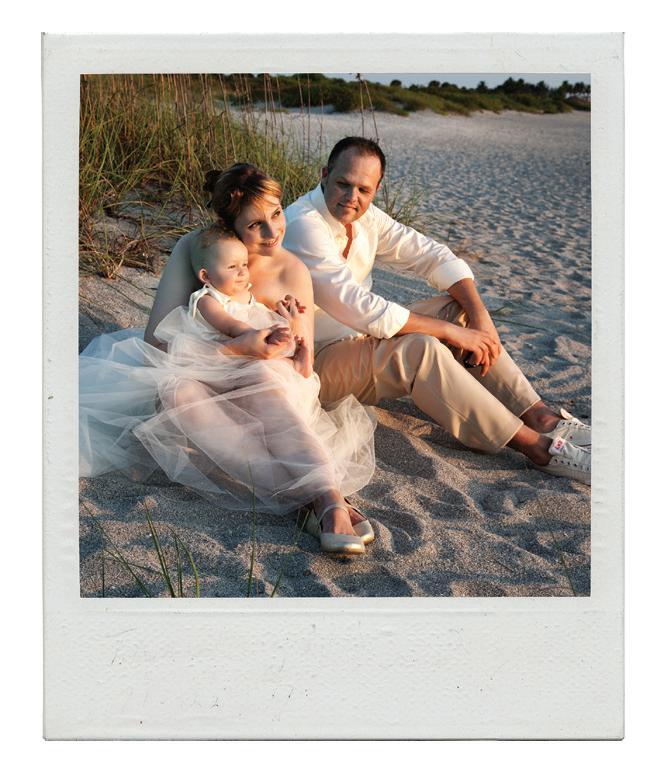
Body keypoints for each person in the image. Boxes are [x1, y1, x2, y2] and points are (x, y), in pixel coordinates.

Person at [283, 136, 591, 485]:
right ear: (325, 175)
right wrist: (449, 332)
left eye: (363, 190)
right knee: (420, 349)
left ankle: (541, 418)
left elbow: (433, 255)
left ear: (376, 190)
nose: (352, 197)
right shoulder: (303, 224)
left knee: (457, 309)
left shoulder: (366, 218)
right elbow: (358, 306)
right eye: (343, 183)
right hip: (314, 362)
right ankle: (537, 447)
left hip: (357, 340)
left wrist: (479, 318)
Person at [118, 163, 377, 551]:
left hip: (267, 382)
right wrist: (237, 348)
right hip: (199, 368)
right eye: (255, 225)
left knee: (264, 381)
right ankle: (314, 498)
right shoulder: (198, 250)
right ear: (229, 225)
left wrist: (286, 337)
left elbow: (302, 369)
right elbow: (155, 346)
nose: (273, 233)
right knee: (176, 395)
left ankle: (326, 497)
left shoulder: (292, 269)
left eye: (277, 214)